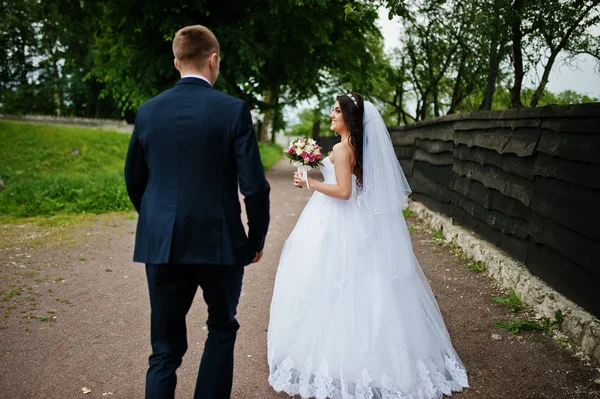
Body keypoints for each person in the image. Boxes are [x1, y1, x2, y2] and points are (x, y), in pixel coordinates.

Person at [267, 92, 468, 399]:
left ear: (349, 117)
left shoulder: (341, 147)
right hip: (349, 220)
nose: (332, 114)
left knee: (337, 282)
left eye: (337, 111)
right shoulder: (352, 146)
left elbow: (344, 191)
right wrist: (310, 159)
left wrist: (310, 183)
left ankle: (344, 358)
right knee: (358, 282)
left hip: (338, 219)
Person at [124, 25, 270, 399]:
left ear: (176, 62)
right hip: (219, 243)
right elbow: (254, 186)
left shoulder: (148, 111)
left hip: (163, 244)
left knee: (164, 350)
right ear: (214, 59)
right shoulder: (234, 110)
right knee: (221, 329)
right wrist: (254, 240)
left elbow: (135, 179)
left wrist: (157, 221)